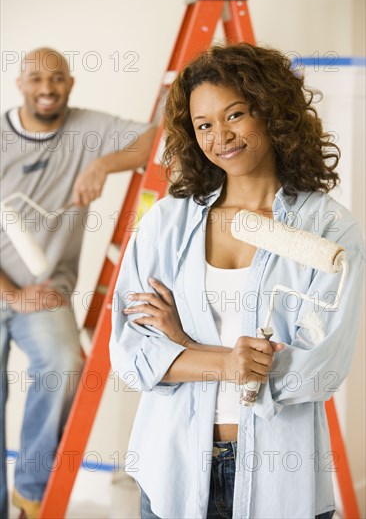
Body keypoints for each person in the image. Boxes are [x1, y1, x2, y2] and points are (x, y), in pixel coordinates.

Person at [109, 43, 365, 519]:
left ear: (270, 111)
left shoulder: (329, 230)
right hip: (172, 469)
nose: (220, 135)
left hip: (280, 481)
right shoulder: (166, 223)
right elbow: (131, 354)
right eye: (204, 125)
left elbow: (318, 369)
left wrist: (183, 345)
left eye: (235, 114)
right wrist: (230, 362)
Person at [0, 47, 156, 519]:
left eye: (57, 79)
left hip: (48, 290)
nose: (46, 89)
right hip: (7, 288)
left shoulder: (89, 128)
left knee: (65, 364)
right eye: (35, 79)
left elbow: (156, 139)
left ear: (70, 83)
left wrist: (103, 164)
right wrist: (13, 294)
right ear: (19, 85)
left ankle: (30, 493)